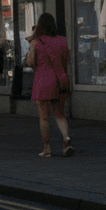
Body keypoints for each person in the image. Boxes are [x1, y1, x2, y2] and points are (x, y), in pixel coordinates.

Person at [26, 13, 73, 157]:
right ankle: (66, 140)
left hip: (43, 81)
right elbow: (66, 60)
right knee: (60, 114)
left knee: (44, 117)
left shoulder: (36, 42)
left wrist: (31, 46)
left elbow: (30, 62)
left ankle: (47, 148)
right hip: (60, 80)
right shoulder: (62, 41)